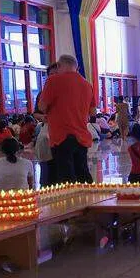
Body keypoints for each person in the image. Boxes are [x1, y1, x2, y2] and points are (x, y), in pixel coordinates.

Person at [36, 54, 94, 184]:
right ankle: (89, 196)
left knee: (66, 176)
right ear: (76, 67)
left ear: (59, 65)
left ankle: (71, 197)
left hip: (61, 136)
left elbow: (42, 107)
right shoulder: (87, 84)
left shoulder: (53, 81)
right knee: (82, 174)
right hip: (82, 136)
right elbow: (93, 111)